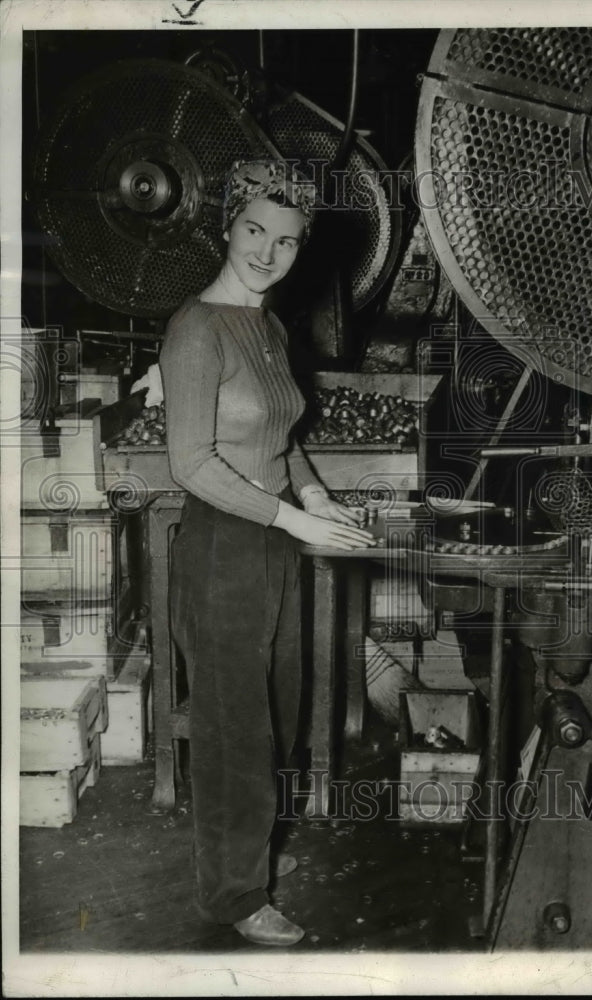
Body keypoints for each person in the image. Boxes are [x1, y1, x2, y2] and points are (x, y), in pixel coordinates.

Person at [159, 159, 375, 947]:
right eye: (254, 230)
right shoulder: (197, 328)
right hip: (223, 545)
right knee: (233, 731)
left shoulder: (270, 325)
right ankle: (234, 893)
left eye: (286, 240)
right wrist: (290, 520)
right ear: (225, 227)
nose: (267, 252)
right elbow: (191, 464)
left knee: (277, 717)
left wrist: (314, 498)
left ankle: (252, 853)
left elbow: (283, 438)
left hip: (274, 538)